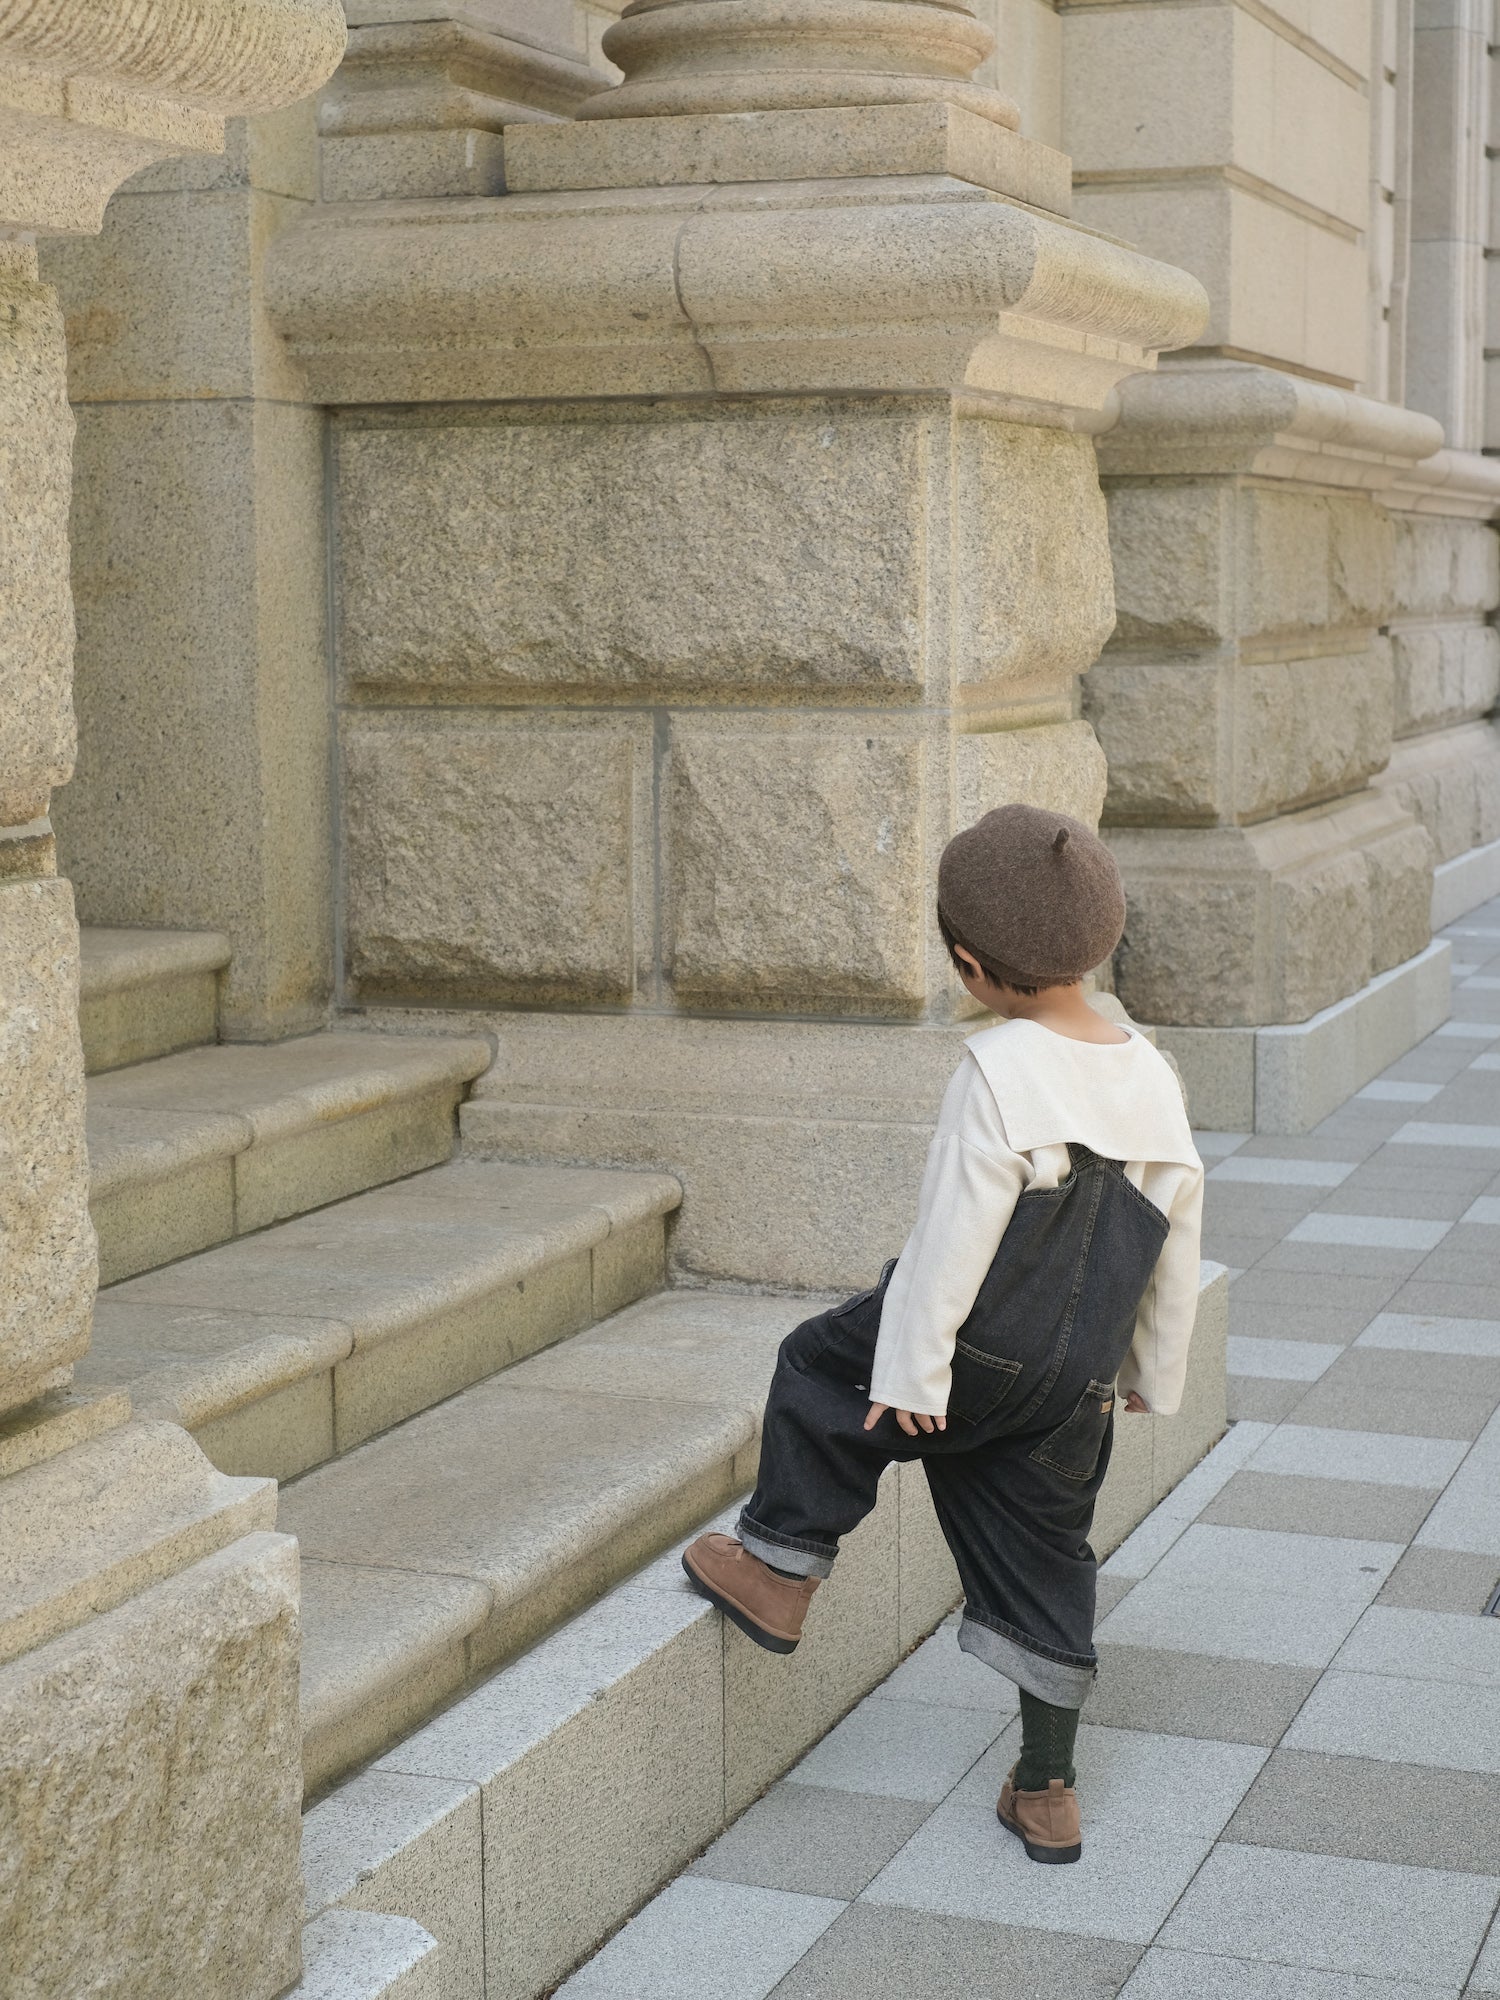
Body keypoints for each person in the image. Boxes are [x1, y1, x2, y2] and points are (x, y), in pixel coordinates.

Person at [681, 803, 1204, 1866]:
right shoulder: (1153, 1073)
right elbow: (1175, 1234)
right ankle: (1049, 1787)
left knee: (822, 1372)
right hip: (1074, 1383)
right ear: (1100, 940)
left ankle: (781, 1567)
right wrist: (1150, 1368)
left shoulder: (998, 1070)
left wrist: (913, 1366)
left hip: (972, 1352)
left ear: (971, 965)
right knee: (1048, 1553)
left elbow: (948, 1242)